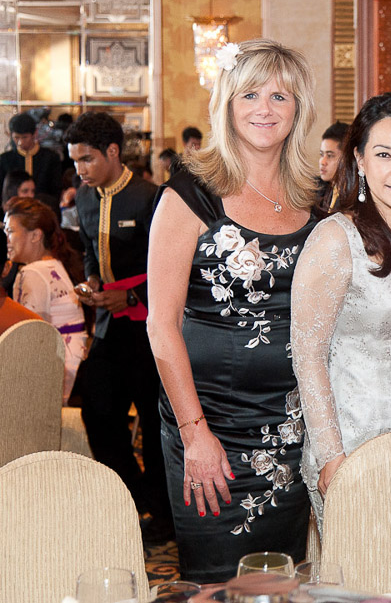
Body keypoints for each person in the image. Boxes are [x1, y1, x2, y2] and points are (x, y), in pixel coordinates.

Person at [147, 39, 318, 581]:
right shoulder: (190, 194)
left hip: (290, 429)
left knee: (284, 578)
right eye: (250, 94)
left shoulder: (315, 198)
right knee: (217, 582)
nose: (264, 108)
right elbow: (161, 324)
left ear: (298, 111)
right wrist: (195, 432)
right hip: (210, 426)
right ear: (227, 103)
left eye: (279, 96)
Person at [291, 92, 391, 528]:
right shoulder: (334, 239)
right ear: (359, 160)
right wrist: (331, 457)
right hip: (355, 445)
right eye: (384, 155)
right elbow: (308, 357)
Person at [66, 112, 170, 543]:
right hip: (108, 325)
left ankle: (165, 518)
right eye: (74, 161)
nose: (80, 170)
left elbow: (173, 267)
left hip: (149, 327)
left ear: (112, 152)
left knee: (154, 421)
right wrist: (92, 282)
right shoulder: (85, 199)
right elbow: (90, 250)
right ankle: (135, 499)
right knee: (98, 412)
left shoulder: (151, 197)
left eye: (87, 159)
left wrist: (129, 297)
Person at [4, 197, 87, 403]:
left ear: (35, 235)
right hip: (75, 366)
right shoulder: (54, 265)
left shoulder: (32, 272)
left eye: (11, 231)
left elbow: (31, 338)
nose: (6, 239)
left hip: (58, 373)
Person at [0, 112, 63, 200]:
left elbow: (56, 190)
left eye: (24, 137)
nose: (20, 142)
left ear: (35, 134)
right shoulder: (5, 160)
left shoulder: (50, 158)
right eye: (16, 137)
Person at [317, 121, 349, 213]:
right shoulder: (320, 189)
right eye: (321, 154)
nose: (322, 162)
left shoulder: (355, 197)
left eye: (330, 155)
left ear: (347, 158)